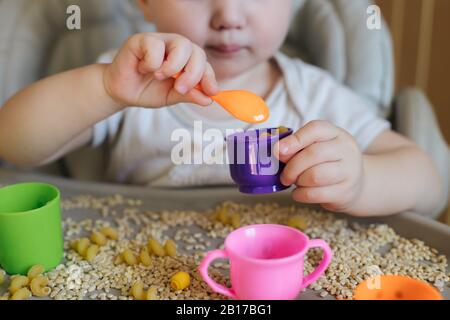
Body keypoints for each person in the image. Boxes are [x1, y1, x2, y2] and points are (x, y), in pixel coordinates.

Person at [0, 0, 443, 217]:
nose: (228, 14)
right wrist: (103, 88)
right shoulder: (132, 81)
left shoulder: (313, 95)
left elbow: (428, 179)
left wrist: (361, 181)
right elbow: (14, 143)